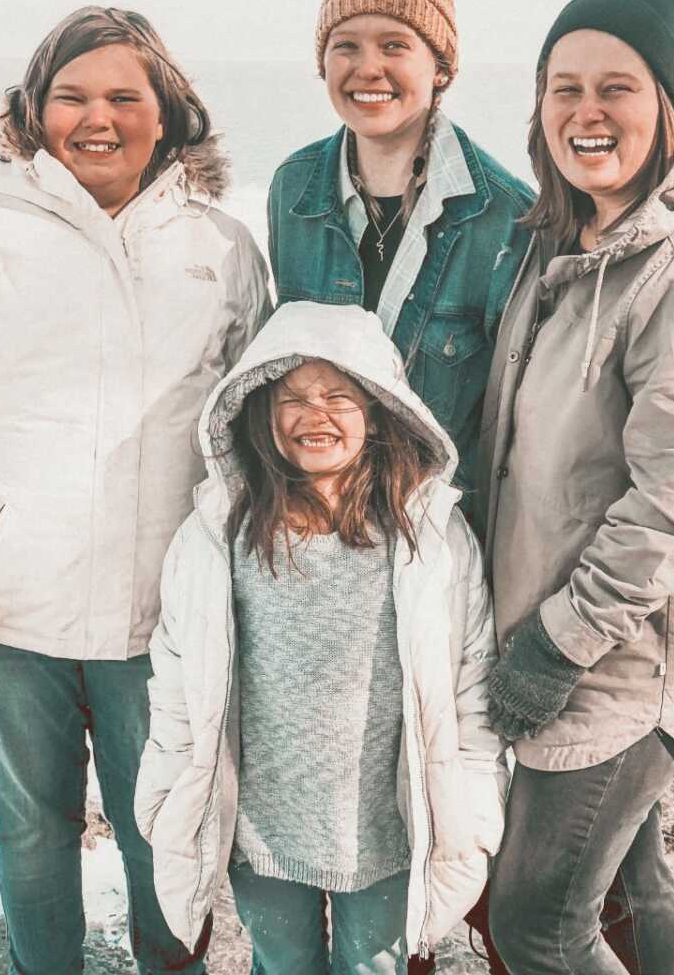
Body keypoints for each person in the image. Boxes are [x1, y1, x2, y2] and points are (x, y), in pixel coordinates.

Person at [0, 6, 270, 974]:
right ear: (32, 113)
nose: (96, 118)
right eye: (70, 97)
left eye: (124, 96)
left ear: (170, 115)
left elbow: (253, 446)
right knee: (29, 832)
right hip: (7, 613)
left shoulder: (224, 249)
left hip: (167, 621)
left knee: (169, 830)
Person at [478, 0, 674, 974]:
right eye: (563, 87)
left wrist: (554, 645)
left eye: (615, 86)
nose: (585, 110)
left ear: (671, 105)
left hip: (622, 666)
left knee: (533, 924)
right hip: (586, 640)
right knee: (627, 884)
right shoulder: (574, 237)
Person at [134, 301, 508, 974]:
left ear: (380, 411)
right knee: (281, 963)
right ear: (262, 414)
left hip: (386, 830)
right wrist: (169, 794)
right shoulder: (218, 537)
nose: (316, 415)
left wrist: (474, 809)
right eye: (292, 398)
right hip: (263, 824)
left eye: (339, 394)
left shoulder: (433, 541)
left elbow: (470, 689)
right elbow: (178, 685)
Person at [267, 0, 534, 515]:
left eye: (394, 45)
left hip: (439, 539)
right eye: (346, 46)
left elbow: (513, 422)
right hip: (311, 528)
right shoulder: (293, 189)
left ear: (439, 68)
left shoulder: (507, 216)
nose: (368, 68)